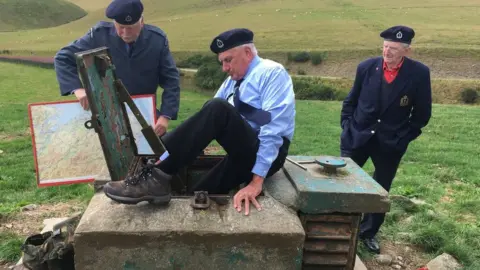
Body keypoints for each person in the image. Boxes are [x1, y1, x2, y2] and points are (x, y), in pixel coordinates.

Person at [103, 28, 296, 216]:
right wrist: (192, 145)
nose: (225, 68)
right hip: (241, 151)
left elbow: (273, 129)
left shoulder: (271, 73)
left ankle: (155, 176)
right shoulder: (232, 81)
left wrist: (256, 181)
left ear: (247, 52)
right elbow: (207, 118)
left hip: (266, 154)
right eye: (222, 62)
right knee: (199, 193)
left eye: (228, 60)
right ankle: (153, 164)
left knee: (218, 108)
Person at [340, 25, 432, 253]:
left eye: (393, 48)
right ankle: (340, 224)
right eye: (385, 47)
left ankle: (369, 232)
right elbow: (351, 99)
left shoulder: (419, 73)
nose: (387, 52)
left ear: (406, 50)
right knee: (344, 182)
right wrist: (347, 126)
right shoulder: (366, 67)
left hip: (391, 142)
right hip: (357, 136)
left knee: (381, 188)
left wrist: (403, 138)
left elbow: (422, 113)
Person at [53, 0, 180, 136]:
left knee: (160, 155)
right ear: (114, 23)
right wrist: (78, 89)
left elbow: (171, 80)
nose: (126, 33)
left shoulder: (157, 40)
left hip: (144, 113)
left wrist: (165, 116)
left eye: (131, 27)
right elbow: (63, 58)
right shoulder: (98, 35)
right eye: (121, 27)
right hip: (107, 114)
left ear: (141, 22)